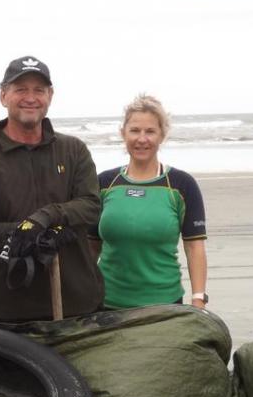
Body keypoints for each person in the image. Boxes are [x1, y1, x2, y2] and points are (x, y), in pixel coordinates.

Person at [0, 56, 104, 323]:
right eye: (20, 89)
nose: (31, 97)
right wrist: (25, 234)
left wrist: (46, 218)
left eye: (39, 90)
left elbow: (91, 206)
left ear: (50, 95)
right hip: (5, 308)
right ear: (3, 95)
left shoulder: (74, 150)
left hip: (76, 304)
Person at [89, 94, 208, 309]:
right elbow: (90, 247)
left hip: (164, 305)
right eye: (134, 130)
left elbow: (194, 246)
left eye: (150, 131)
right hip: (107, 303)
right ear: (123, 133)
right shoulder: (105, 183)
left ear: (162, 135)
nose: (141, 139)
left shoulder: (182, 185)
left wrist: (198, 298)